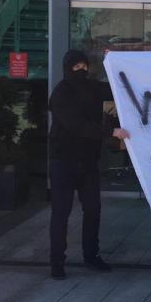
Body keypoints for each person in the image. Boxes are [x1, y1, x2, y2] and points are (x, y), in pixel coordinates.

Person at [48, 49, 116, 280]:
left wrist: (115, 62)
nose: (82, 71)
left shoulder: (93, 88)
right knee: (61, 213)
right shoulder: (60, 94)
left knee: (93, 210)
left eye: (84, 67)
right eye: (77, 67)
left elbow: (116, 87)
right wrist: (111, 131)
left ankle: (91, 255)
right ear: (68, 69)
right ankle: (57, 261)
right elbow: (76, 126)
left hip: (87, 162)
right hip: (63, 161)